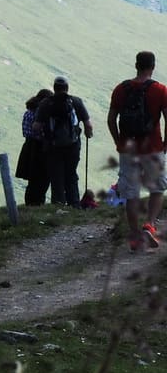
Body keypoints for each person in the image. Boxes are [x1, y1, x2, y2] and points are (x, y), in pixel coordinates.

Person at [106, 51, 167, 250]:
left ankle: (134, 237)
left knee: (131, 193)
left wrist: (118, 142)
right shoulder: (160, 90)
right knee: (157, 189)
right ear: (153, 66)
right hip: (153, 148)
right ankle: (149, 224)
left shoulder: (120, 89)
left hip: (128, 149)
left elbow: (111, 119)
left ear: (136, 65)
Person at [32, 76, 94, 207]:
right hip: (73, 146)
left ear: (54, 88)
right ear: (67, 88)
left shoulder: (46, 104)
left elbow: (36, 127)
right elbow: (88, 125)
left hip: (52, 147)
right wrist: (88, 134)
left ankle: (59, 205)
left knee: (56, 176)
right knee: (71, 174)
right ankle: (74, 205)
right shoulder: (76, 101)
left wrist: (43, 135)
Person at [14, 88, 53, 206]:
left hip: (29, 147)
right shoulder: (40, 114)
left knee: (33, 180)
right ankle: (38, 203)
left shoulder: (28, 112)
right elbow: (41, 133)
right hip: (40, 149)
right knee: (43, 179)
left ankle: (30, 204)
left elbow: (26, 132)